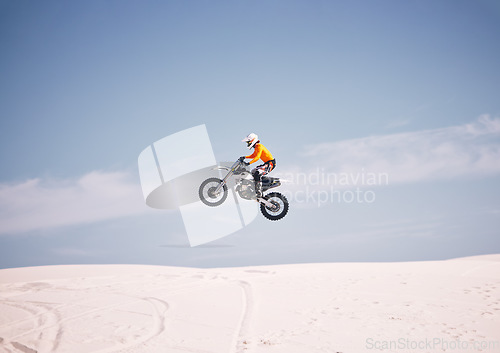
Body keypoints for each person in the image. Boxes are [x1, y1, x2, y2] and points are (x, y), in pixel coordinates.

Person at [240, 133, 276, 198]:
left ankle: (258, 191)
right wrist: (245, 157)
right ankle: (254, 187)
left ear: (252, 141)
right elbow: (253, 155)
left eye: (248, 142)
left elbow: (257, 157)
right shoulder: (256, 147)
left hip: (271, 163)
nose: (248, 144)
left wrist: (249, 163)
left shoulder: (259, 146)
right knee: (253, 172)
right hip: (267, 163)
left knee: (257, 173)